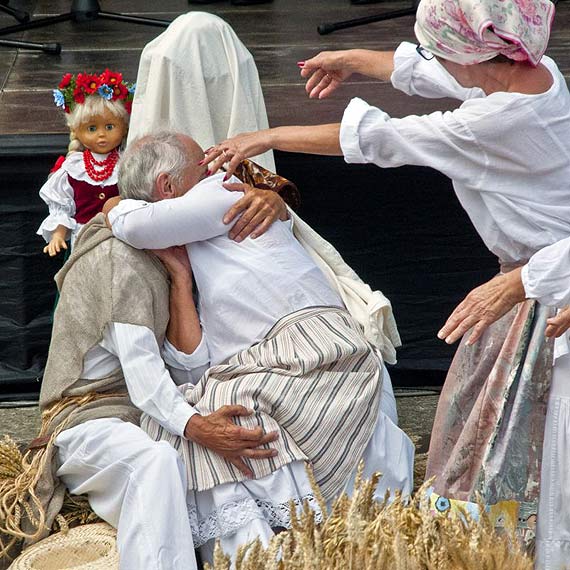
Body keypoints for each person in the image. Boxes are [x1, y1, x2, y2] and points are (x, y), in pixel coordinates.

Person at [200, 0, 570, 563]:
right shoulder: (534, 73)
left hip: (545, 289)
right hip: (534, 277)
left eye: (443, 47)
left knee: (515, 445)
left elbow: (384, 139)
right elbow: (443, 70)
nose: (438, 61)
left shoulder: (494, 123)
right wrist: (358, 61)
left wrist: (262, 137)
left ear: (471, 53)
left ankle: (512, 550)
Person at [108, 131, 414, 564]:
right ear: (168, 187)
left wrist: (109, 205)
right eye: (205, 163)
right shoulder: (190, 240)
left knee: (192, 424)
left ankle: (261, 553)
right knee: (189, 419)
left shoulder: (222, 195)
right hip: (267, 362)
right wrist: (180, 280)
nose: (219, 169)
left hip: (312, 350)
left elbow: (131, 224)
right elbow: (195, 365)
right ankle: (263, 550)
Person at [37, 70, 134, 255]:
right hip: (84, 241)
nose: (101, 134)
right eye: (91, 128)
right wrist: (58, 235)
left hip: (119, 240)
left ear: (124, 128)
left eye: (109, 127)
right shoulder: (73, 168)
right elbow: (62, 208)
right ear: (76, 131)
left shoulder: (127, 165)